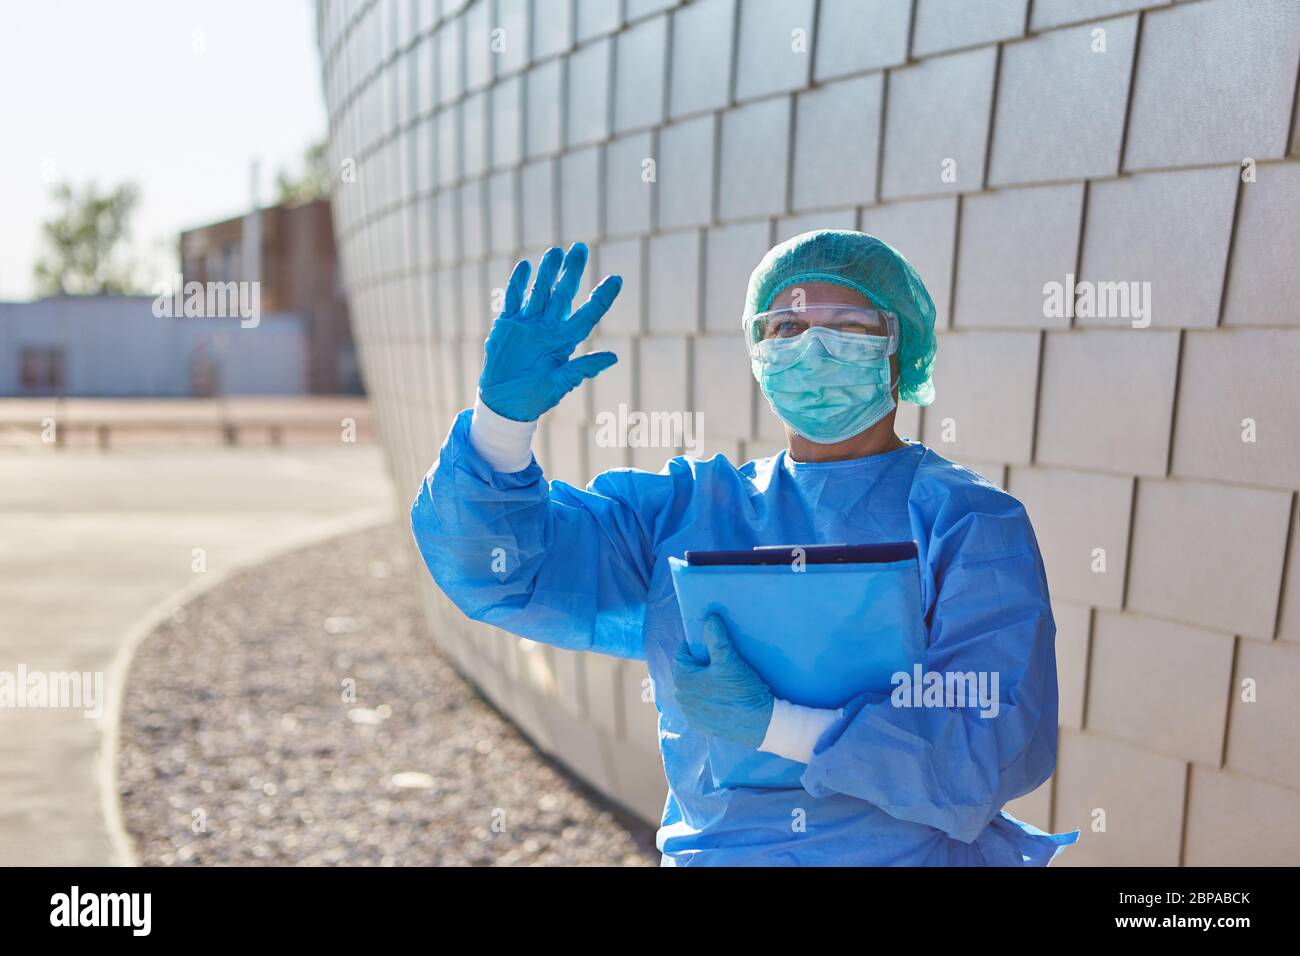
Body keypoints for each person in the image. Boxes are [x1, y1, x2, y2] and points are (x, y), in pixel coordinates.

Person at [411, 230, 1080, 866]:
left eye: (847, 327)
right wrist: (501, 425)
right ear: (759, 355)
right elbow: (500, 571)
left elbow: (985, 745)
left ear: (903, 353)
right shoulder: (691, 510)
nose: (812, 348)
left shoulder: (964, 520)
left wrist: (775, 726)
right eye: (785, 327)